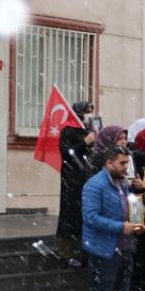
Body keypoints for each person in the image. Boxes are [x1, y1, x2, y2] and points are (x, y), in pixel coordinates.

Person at [81, 145, 145, 291]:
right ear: (109, 163)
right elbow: (90, 217)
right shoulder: (94, 185)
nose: (126, 168)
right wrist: (121, 227)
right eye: (122, 163)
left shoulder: (123, 183)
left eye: (127, 163)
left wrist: (137, 223)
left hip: (125, 250)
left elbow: (130, 210)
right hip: (104, 252)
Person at [56, 100, 95, 268]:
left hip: (86, 177)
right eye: (86, 112)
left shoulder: (86, 130)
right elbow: (67, 152)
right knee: (70, 214)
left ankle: (83, 251)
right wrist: (84, 142)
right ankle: (68, 252)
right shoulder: (68, 130)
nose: (88, 116)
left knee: (84, 214)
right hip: (72, 179)